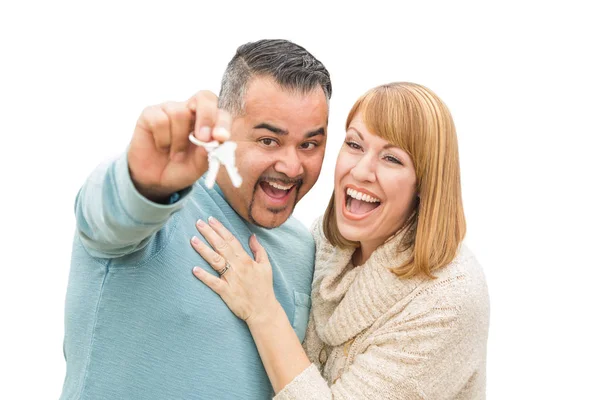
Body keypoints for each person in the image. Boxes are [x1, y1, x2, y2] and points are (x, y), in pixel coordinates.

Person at [60, 39, 332, 400]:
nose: (292, 166)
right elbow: (102, 217)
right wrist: (141, 184)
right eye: (268, 140)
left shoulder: (305, 248)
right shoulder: (157, 211)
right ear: (224, 129)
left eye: (309, 145)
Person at [190, 82, 490, 399]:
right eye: (354, 145)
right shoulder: (327, 242)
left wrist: (263, 312)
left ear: (425, 183)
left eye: (392, 159)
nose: (360, 171)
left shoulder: (450, 298)